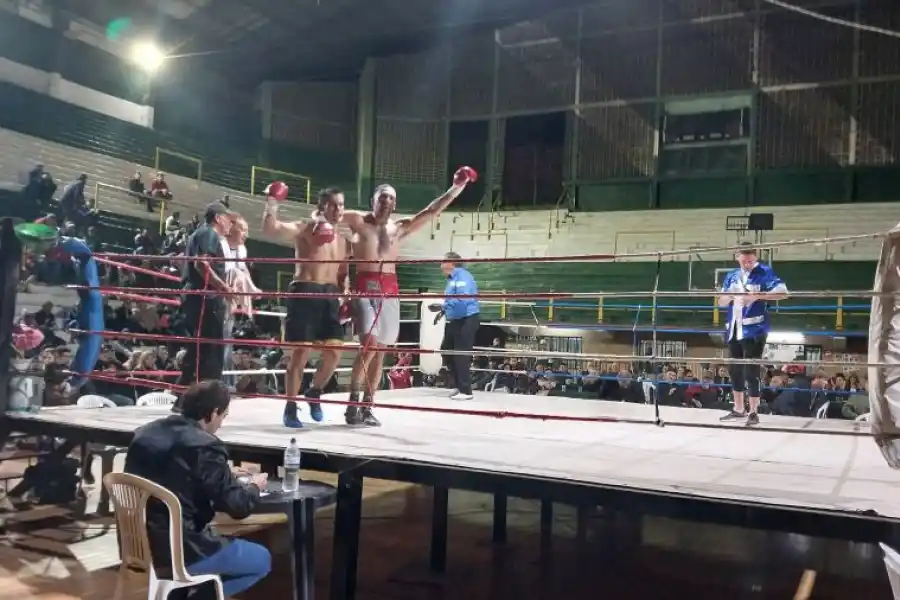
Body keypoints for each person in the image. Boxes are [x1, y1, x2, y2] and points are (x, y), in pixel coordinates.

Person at [338, 166, 478, 426]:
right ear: (373, 200)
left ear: (395, 203)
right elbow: (328, 214)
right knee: (368, 346)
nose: (386, 201)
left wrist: (457, 187)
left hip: (390, 290)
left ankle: (368, 406)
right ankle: (352, 403)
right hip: (365, 287)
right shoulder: (357, 220)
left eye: (391, 198)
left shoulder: (400, 228)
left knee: (381, 352)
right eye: (382, 196)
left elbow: (432, 211)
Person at [124, 380, 271, 598]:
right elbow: (238, 506)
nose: (221, 423)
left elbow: (174, 473)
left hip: (138, 544)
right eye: (223, 416)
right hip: (183, 551)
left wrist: (224, 473)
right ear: (212, 413)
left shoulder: (144, 433)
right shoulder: (205, 445)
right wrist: (253, 486)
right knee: (262, 560)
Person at [262, 186, 350, 428]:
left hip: (330, 296)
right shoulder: (305, 228)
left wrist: (346, 296)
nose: (338, 209)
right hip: (304, 290)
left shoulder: (342, 240)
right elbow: (271, 229)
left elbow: (343, 271)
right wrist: (271, 202)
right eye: (333, 204)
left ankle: (314, 392)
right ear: (321, 207)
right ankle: (290, 407)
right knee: (300, 354)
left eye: (341, 205)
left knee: (334, 353)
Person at [717, 243, 788, 425]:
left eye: (750, 261)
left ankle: (753, 411)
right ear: (737, 258)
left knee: (751, 370)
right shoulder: (732, 276)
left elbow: (783, 292)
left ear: (755, 258)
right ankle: (738, 409)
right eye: (744, 261)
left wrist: (758, 296)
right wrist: (731, 295)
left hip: (755, 328)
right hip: (734, 328)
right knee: (735, 370)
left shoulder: (765, 272)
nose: (747, 264)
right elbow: (721, 303)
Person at [175, 203, 234, 404]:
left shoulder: (202, 234)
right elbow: (202, 263)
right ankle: (201, 400)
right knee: (208, 351)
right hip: (205, 299)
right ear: (218, 218)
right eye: (228, 219)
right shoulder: (208, 233)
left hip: (201, 298)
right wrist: (223, 287)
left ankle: (185, 399)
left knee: (200, 349)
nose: (231, 224)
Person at [430, 252, 480, 400]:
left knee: (461, 353)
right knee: (446, 350)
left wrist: (443, 306)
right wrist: (443, 311)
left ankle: (466, 391)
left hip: (467, 318)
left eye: (444, 260)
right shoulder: (452, 279)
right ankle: (459, 385)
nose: (441, 264)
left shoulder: (462, 276)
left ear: (452, 263)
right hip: (456, 319)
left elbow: (463, 298)